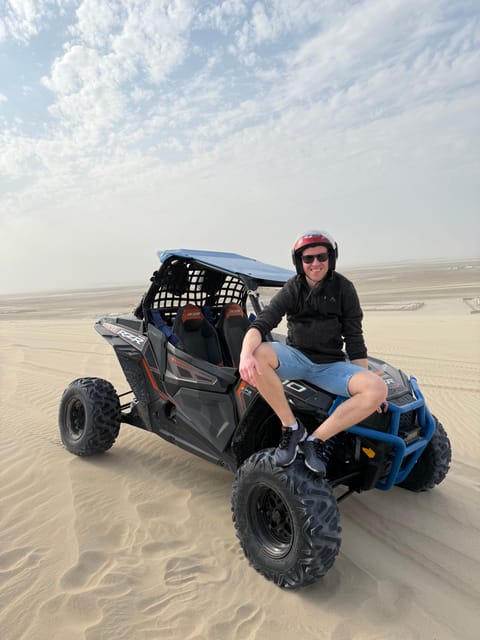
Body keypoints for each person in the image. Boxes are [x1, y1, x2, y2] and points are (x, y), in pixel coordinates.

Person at [239, 230, 388, 475]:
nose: (315, 263)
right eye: (308, 259)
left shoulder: (344, 288)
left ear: (331, 258)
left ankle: (315, 440)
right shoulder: (294, 288)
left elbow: (354, 338)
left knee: (377, 388)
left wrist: (365, 382)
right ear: (300, 262)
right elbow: (261, 324)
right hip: (296, 358)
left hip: (331, 365)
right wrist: (245, 355)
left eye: (321, 257)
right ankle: (291, 427)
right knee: (257, 354)